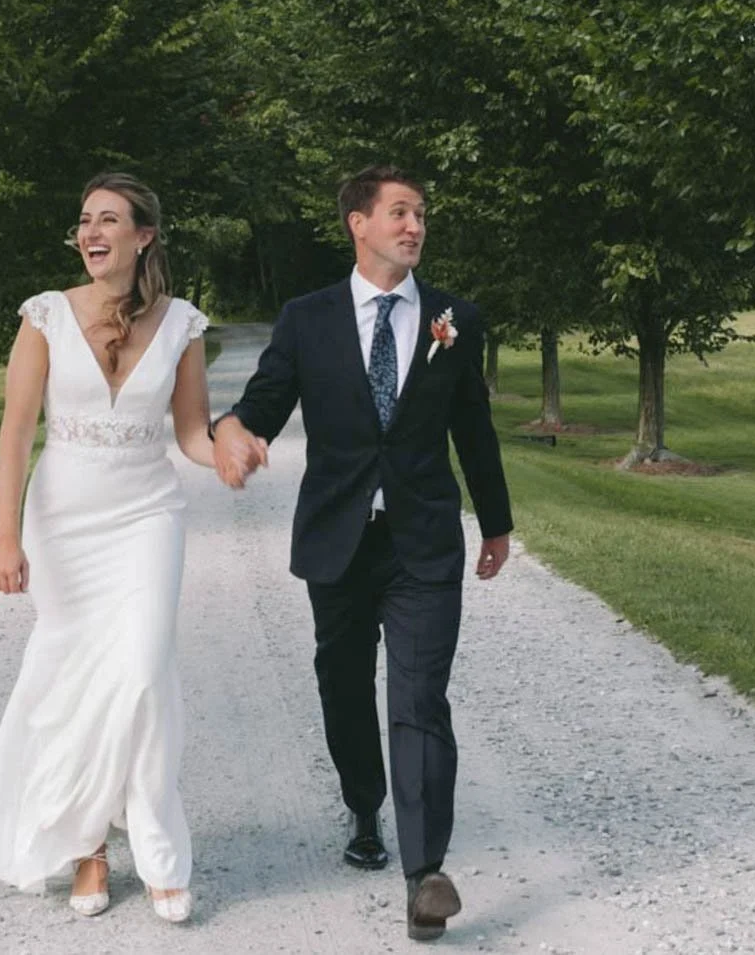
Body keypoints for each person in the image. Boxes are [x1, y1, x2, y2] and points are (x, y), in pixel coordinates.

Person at [211, 165, 512, 942]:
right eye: (400, 213)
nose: (415, 226)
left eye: (421, 215)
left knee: (418, 700)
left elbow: (472, 427)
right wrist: (232, 433)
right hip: (337, 541)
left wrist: (497, 522)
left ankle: (425, 875)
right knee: (344, 688)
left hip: (423, 542)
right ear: (359, 223)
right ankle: (363, 804)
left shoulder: (455, 318)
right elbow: (266, 402)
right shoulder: (308, 318)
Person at [0, 172, 214, 924]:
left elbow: (192, 435)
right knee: (75, 681)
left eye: (108, 219)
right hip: (63, 523)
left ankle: (161, 849)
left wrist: (233, 448)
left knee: (141, 673)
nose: (90, 232)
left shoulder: (182, 326)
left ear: (144, 236)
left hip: (147, 515)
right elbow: (15, 432)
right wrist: (5, 535)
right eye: (83, 220)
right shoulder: (45, 315)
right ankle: (88, 847)